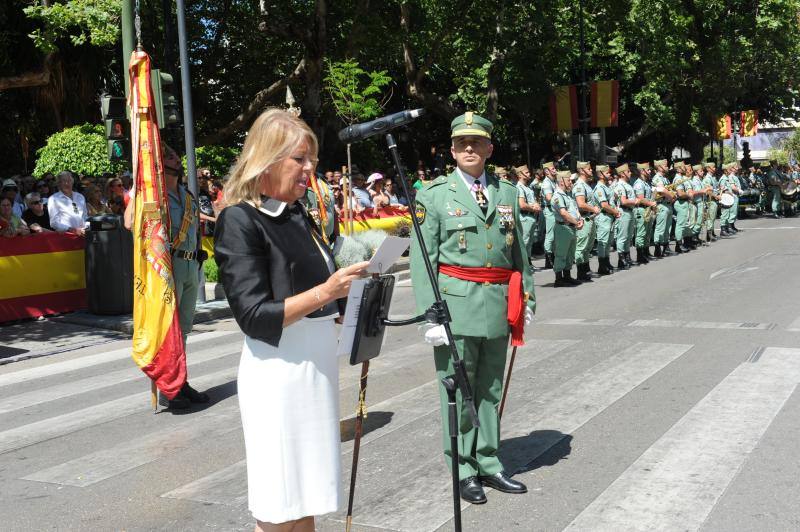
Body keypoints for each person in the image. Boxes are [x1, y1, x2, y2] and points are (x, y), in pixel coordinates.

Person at [214, 108, 368, 531]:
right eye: (299, 159)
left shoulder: (298, 213)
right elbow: (252, 314)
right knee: (281, 498)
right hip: (279, 375)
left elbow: (313, 292)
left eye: (311, 160)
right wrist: (327, 292)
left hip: (315, 369)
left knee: (307, 496)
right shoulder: (240, 219)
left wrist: (347, 304)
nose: (309, 169)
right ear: (266, 160)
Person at [410, 111, 535, 505]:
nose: (469, 148)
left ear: (489, 148)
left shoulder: (508, 193)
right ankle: (463, 468)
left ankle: (489, 460)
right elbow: (423, 260)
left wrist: (527, 297)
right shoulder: (433, 195)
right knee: (459, 391)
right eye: (462, 142)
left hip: (498, 303)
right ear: (451, 149)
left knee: (489, 390)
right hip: (456, 306)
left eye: (476, 142)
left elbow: (519, 253)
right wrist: (429, 314)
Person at [124, 145, 210, 410]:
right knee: (167, 330)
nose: (177, 159)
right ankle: (168, 389)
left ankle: (181, 381)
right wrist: (138, 187)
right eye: (170, 156)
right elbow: (129, 223)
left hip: (190, 268)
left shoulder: (186, 196)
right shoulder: (152, 196)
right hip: (168, 271)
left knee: (182, 331)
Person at [551, 170, 582, 286]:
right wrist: (576, 223)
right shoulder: (557, 196)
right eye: (568, 180)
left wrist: (580, 220)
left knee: (570, 253)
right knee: (561, 254)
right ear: (561, 182)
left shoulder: (567, 195)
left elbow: (574, 210)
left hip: (571, 227)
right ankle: (559, 279)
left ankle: (567, 276)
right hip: (563, 228)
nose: (571, 182)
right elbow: (564, 213)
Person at [572, 161, 600, 280]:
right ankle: (581, 272)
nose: (591, 171)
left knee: (587, 247)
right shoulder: (579, 185)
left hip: (590, 218)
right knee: (581, 246)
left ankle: (585, 269)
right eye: (588, 169)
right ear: (581, 170)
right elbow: (581, 204)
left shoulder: (586, 184)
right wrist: (593, 208)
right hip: (584, 218)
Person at [593, 165, 621, 275]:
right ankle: (602, 265)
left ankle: (606, 262)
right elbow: (604, 205)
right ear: (601, 174)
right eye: (607, 172)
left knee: (608, 241)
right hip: (603, 217)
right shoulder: (599, 188)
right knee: (603, 242)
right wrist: (615, 212)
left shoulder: (606, 187)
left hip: (609, 217)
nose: (609, 174)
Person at [613, 164, 637, 268]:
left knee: (628, 236)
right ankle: (621, 259)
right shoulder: (620, 185)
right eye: (628, 171)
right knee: (622, 236)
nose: (630, 173)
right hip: (623, 211)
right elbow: (623, 201)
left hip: (630, 211)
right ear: (622, 174)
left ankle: (627, 256)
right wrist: (636, 201)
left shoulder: (627, 184)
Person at [633, 162, 657, 264]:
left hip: (648, 209)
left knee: (647, 232)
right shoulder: (639, 183)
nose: (650, 171)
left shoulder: (646, 183)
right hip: (642, 209)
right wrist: (651, 203)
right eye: (648, 170)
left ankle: (646, 252)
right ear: (642, 171)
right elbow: (640, 198)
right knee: (641, 233)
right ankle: (640, 255)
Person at [515, 165, 540, 263]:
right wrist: (534, 208)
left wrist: (536, 205)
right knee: (524, 241)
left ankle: (528, 262)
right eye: (526, 172)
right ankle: (522, 263)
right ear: (520, 175)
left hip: (531, 217)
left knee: (529, 242)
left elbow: (531, 201)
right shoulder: (519, 187)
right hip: (525, 217)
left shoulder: (527, 187)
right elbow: (522, 204)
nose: (529, 174)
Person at [651, 159, 675, 257]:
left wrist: (673, 195)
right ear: (659, 167)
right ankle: (657, 248)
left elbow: (669, 190)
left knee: (667, 228)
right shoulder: (657, 178)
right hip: (661, 205)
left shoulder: (665, 178)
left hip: (668, 204)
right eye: (665, 166)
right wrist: (671, 195)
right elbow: (662, 190)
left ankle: (665, 247)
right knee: (660, 227)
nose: (667, 167)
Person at [540, 162, 557, 269]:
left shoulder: (552, 182)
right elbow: (549, 198)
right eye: (553, 168)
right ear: (547, 171)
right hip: (550, 211)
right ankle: (548, 258)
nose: (555, 170)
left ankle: (552, 256)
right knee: (550, 235)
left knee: (554, 235)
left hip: (554, 211)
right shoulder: (547, 183)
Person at [702, 162, 720, 242]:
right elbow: (708, 191)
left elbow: (714, 189)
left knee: (712, 217)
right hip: (710, 200)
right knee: (710, 217)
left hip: (714, 200)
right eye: (713, 167)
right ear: (708, 168)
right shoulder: (707, 178)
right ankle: (709, 235)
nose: (715, 168)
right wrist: (716, 196)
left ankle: (711, 232)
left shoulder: (712, 177)